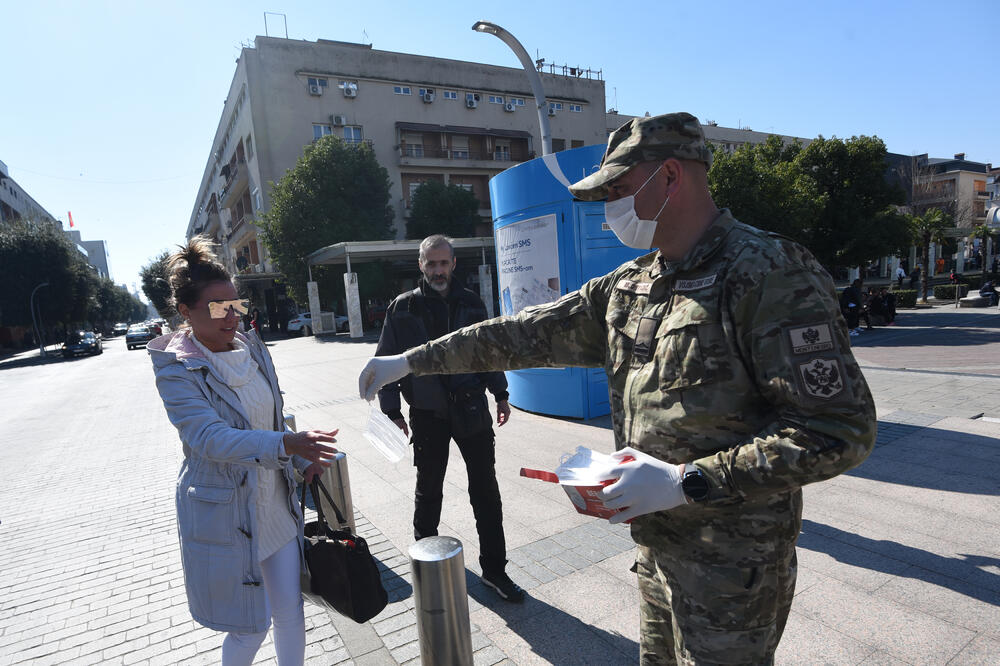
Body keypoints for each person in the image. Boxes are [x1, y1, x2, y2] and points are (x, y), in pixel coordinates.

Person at [359, 113, 876, 664]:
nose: (610, 209)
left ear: (671, 177)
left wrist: (689, 481)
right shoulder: (632, 285)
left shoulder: (769, 273)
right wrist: (413, 360)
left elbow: (837, 428)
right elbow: (521, 333)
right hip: (655, 550)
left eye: (621, 189)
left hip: (734, 569)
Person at [149, 237, 339, 666]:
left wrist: (301, 456)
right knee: (249, 628)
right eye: (218, 307)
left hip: (275, 506)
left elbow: (272, 417)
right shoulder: (176, 370)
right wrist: (284, 444)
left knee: (291, 615)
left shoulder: (252, 348)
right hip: (228, 518)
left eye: (237, 304)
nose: (232, 316)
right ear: (185, 312)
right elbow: (210, 438)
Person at [374, 234, 522, 603]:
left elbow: (489, 352)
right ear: (421, 265)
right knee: (429, 492)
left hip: (472, 409)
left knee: (485, 492)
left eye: (444, 263)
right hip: (427, 414)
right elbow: (387, 360)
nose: (438, 270)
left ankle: (495, 571)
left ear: (454, 264)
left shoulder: (472, 303)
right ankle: (427, 570)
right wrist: (391, 411)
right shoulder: (402, 307)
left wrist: (500, 394)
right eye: (431, 263)